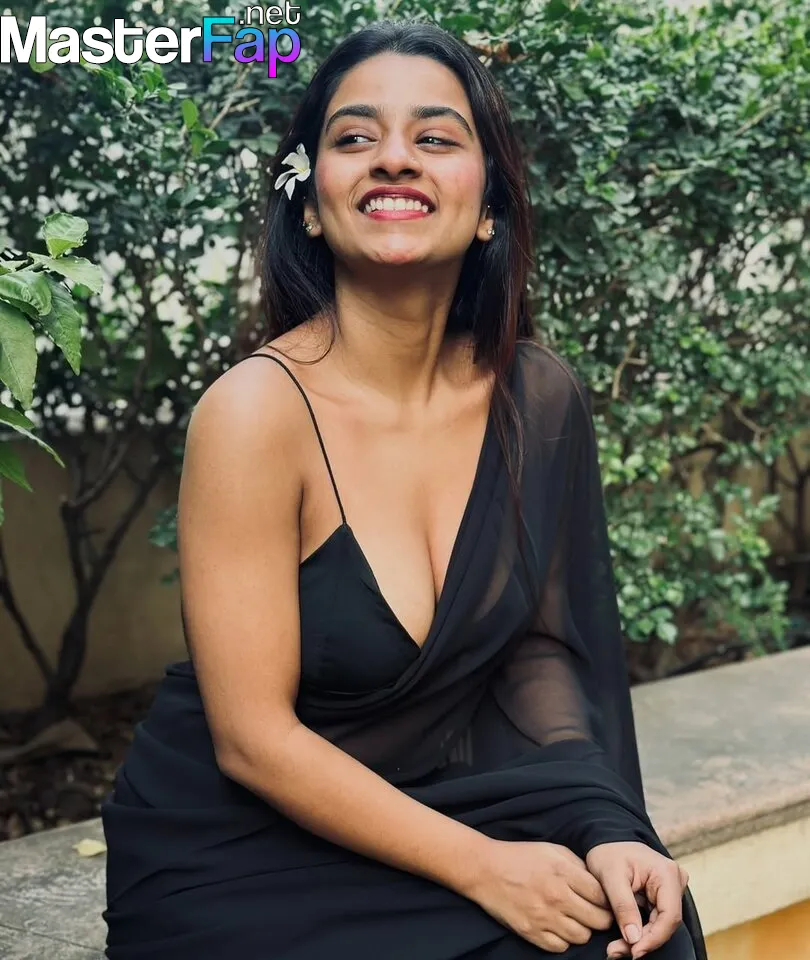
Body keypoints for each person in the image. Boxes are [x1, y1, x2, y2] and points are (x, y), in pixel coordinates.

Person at [101, 19, 707, 960]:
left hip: (441, 800)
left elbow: (540, 650)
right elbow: (253, 739)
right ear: (312, 204)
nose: (393, 158)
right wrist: (484, 867)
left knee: (639, 929)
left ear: (489, 204)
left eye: (435, 136)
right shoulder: (256, 411)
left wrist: (605, 825)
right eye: (354, 137)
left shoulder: (536, 398)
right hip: (239, 849)